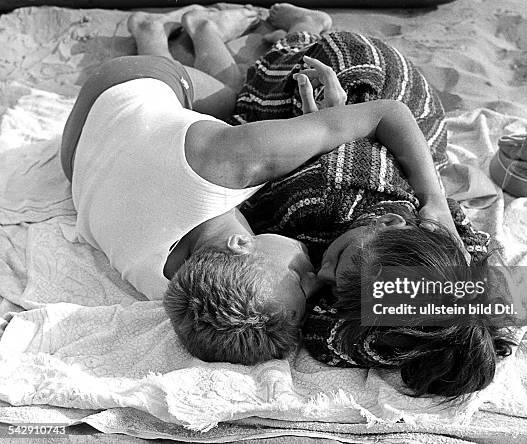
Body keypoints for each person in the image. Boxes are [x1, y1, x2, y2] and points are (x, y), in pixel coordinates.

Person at [59, 4, 461, 366]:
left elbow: (384, 113)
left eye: (302, 283)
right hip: (78, 159)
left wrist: (432, 199)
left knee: (233, 101)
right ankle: (181, 29)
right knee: (224, 107)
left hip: (122, 84)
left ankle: (176, 29)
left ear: (240, 243)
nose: (318, 278)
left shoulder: (229, 161)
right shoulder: (164, 288)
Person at [232, 5, 517, 398]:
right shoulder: (320, 198)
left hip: (400, 123)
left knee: (423, 156)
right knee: (253, 109)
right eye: (337, 260)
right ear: (386, 225)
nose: (322, 277)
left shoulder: (442, 258)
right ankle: (305, 28)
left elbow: (500, 311)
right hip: (359, 71)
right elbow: (246, 203)